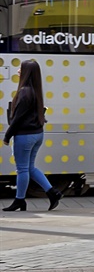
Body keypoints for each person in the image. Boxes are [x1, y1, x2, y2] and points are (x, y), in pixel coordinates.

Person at [3, 59, 60, 212]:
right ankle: (52, 192)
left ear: (26, 72)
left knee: (22, 169)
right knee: (30, 168)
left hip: (25, 136)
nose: (18, 72)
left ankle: (19, 200)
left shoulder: (24, 92)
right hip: (37, 134)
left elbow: (18, 119)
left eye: (20, 69)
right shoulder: (35, 90)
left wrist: (7, 136)